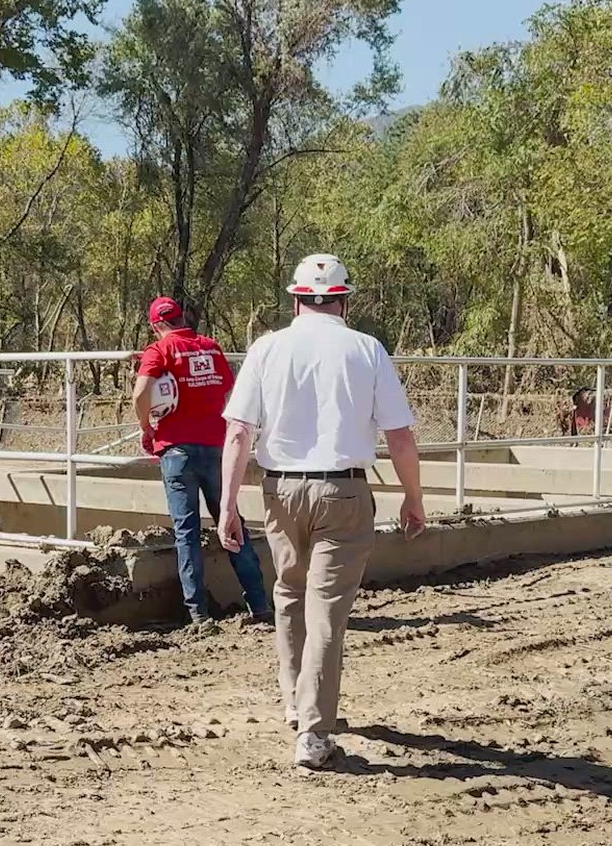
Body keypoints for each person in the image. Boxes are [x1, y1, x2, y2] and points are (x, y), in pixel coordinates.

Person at [216, 254, 425, 768]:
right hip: (344, 492)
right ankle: (314, 730)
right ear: (343, 300)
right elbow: (399, 435)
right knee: (327, 608)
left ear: (295, 298)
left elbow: (239, 432)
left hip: (281, 491)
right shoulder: (366, 349)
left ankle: (295, 701)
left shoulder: (267, 348)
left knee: (289, 593)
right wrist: (413, 497)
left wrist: (226, 507)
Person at [132, 295, 272, 627]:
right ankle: (260, 604)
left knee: (187, 533)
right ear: (181, 318)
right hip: (216, 448)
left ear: (156, 326)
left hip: (176, 451)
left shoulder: (158, 351)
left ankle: (198, 614)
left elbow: (140, 394)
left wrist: (147, 427)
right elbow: (228, 390)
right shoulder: (210, 346)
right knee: (231, 522)